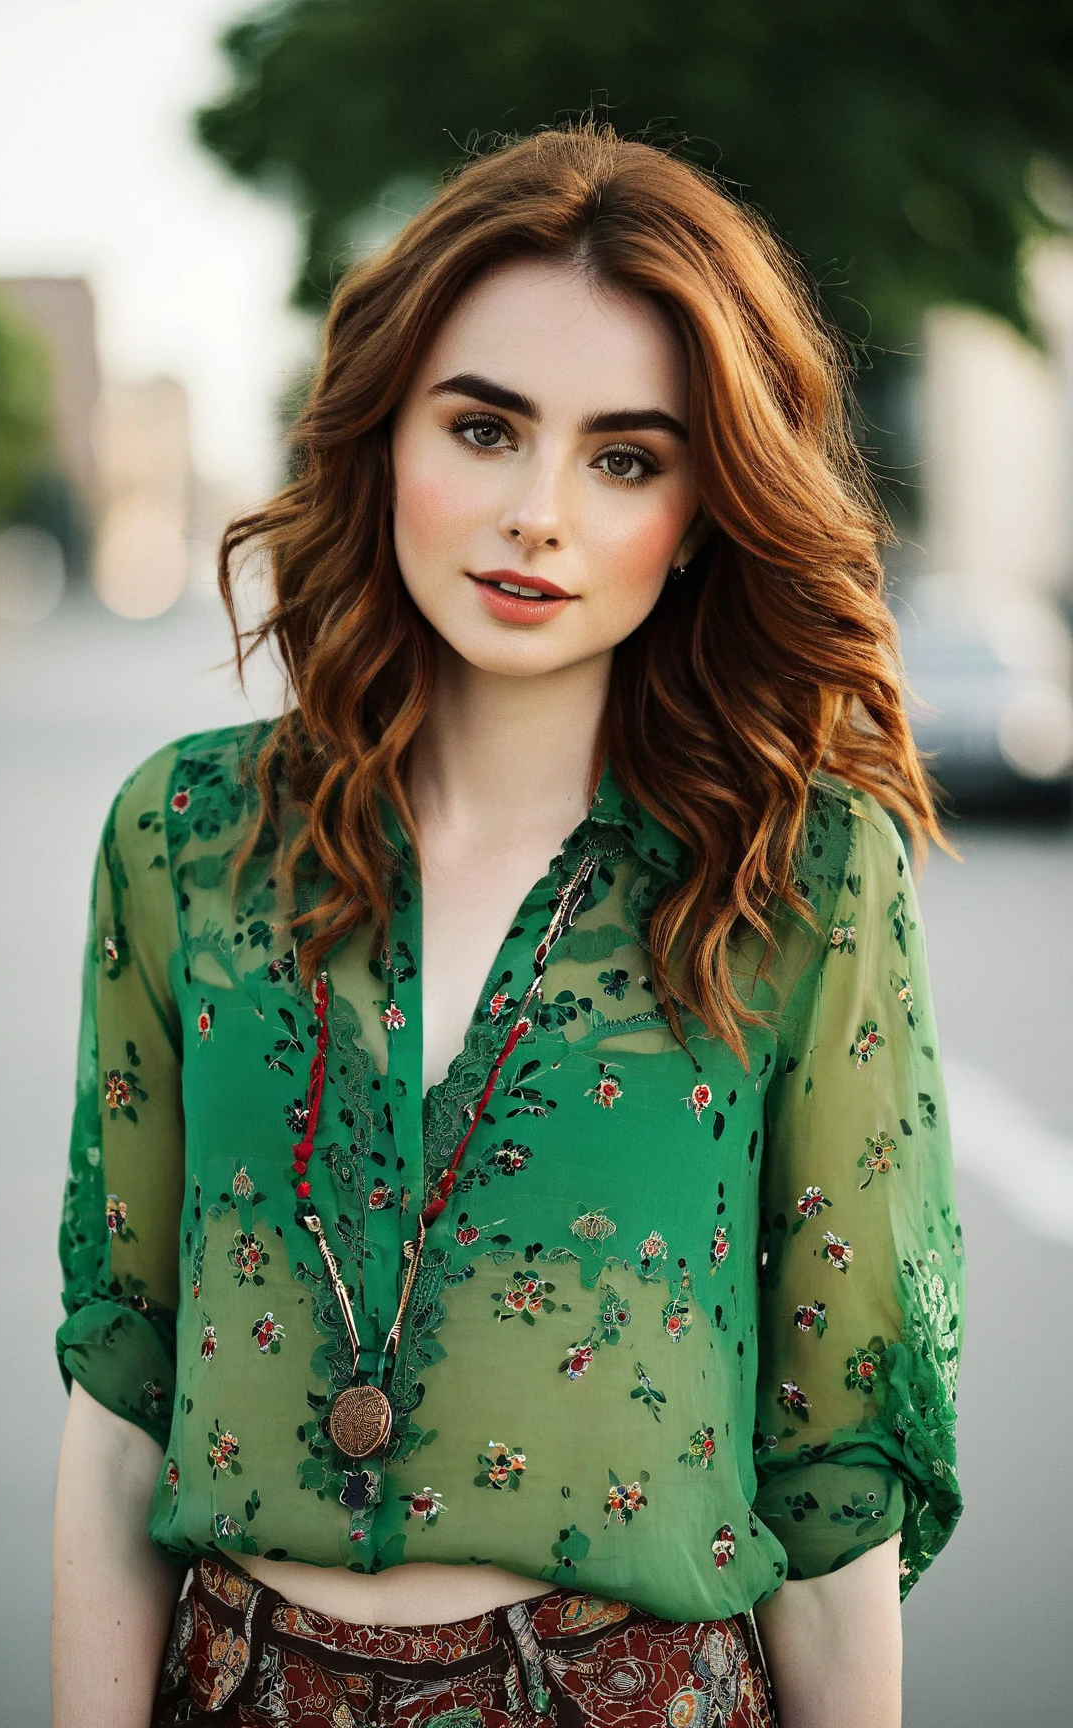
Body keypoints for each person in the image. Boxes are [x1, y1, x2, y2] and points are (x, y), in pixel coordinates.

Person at [50, 123, 964, 1728]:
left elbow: (835, 1487)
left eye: (625, 457)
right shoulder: (184, 840)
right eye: (484, 428)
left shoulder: (801, 879)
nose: (538, 511)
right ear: (386, 437)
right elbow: (121, 1391)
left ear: (699, 511)